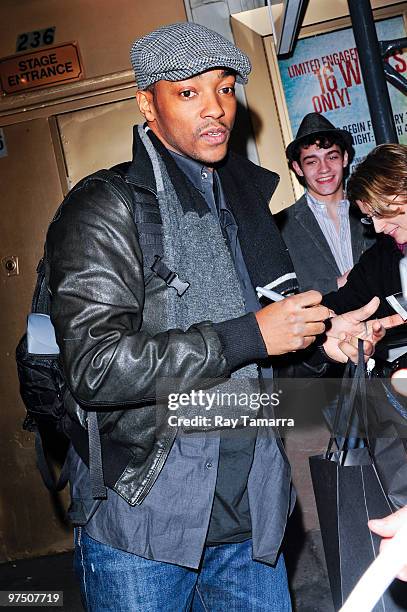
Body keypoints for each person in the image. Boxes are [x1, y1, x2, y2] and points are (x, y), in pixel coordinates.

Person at [45, 22, 386, 611]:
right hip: (145, 520)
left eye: (225, 89)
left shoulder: (242, 208)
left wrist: (322, 344)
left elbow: (259, 365)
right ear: (146, 104)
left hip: (250, 516)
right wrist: (249, 333)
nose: (216, 109)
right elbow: (98, 367)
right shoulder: (103, 208)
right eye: (188, 92)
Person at [275, 112, 375, 294]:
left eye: (332, 157)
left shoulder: (373, 210)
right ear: (298, 167)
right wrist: (336, 283)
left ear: (344, 158)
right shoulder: (279, 227)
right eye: (312, 161)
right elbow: (281, 297)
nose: (324, 169)